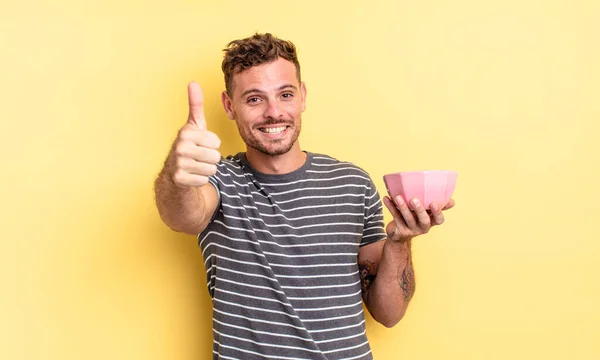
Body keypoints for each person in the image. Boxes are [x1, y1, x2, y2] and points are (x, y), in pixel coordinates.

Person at [154, 33, 455, 360]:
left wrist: (400, 242)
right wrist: (178, 174)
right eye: (254, 99)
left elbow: (389, 314)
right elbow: (183, 216)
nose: (274, 112)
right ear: (229, 106)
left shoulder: (352, 183)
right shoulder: (216, 179)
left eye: (285, 94)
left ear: (303, 96)